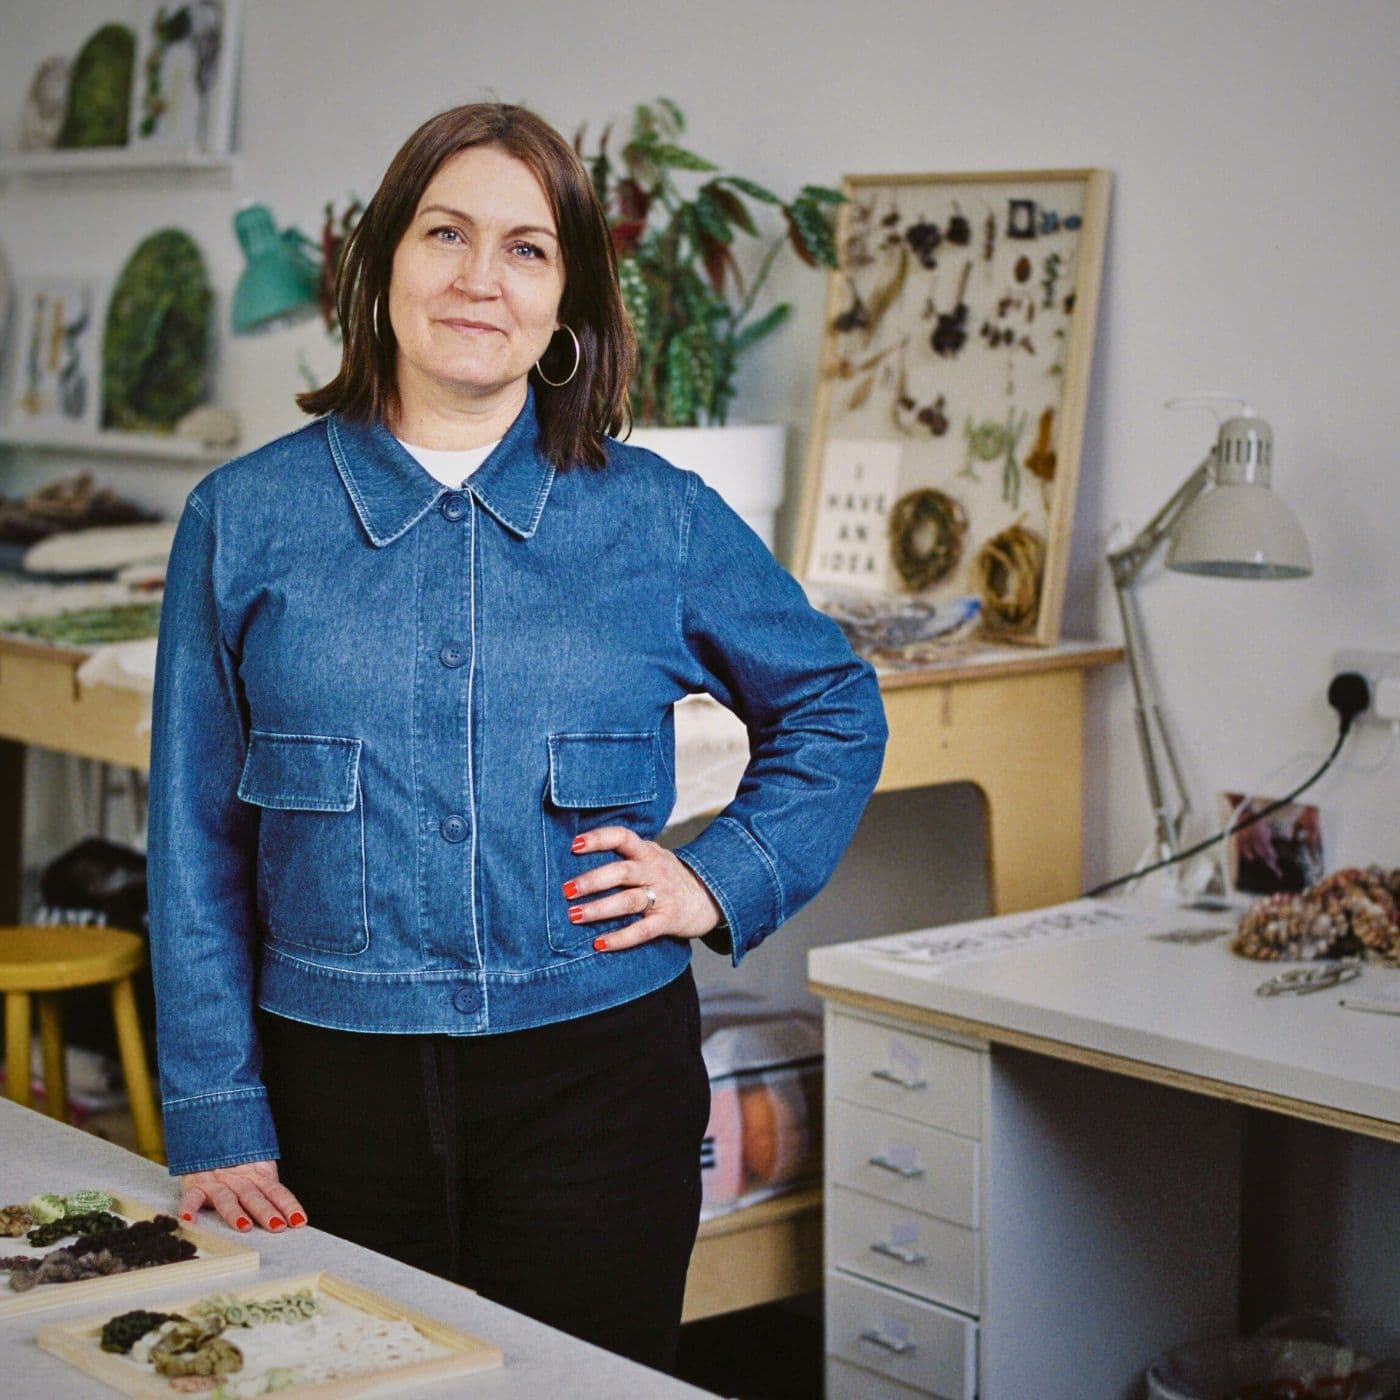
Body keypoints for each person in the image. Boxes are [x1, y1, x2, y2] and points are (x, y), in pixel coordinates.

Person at [147, 102, 886, 1371]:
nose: (479, 278)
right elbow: (193, 843)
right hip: (327, 1095)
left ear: (567, 302)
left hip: (598, 1093)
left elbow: (832, 702)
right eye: (445, 233)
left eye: (526, 248)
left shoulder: (656, 518)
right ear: (379, 267)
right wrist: (217, 1113)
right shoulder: (239, 521)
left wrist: (715, 878)